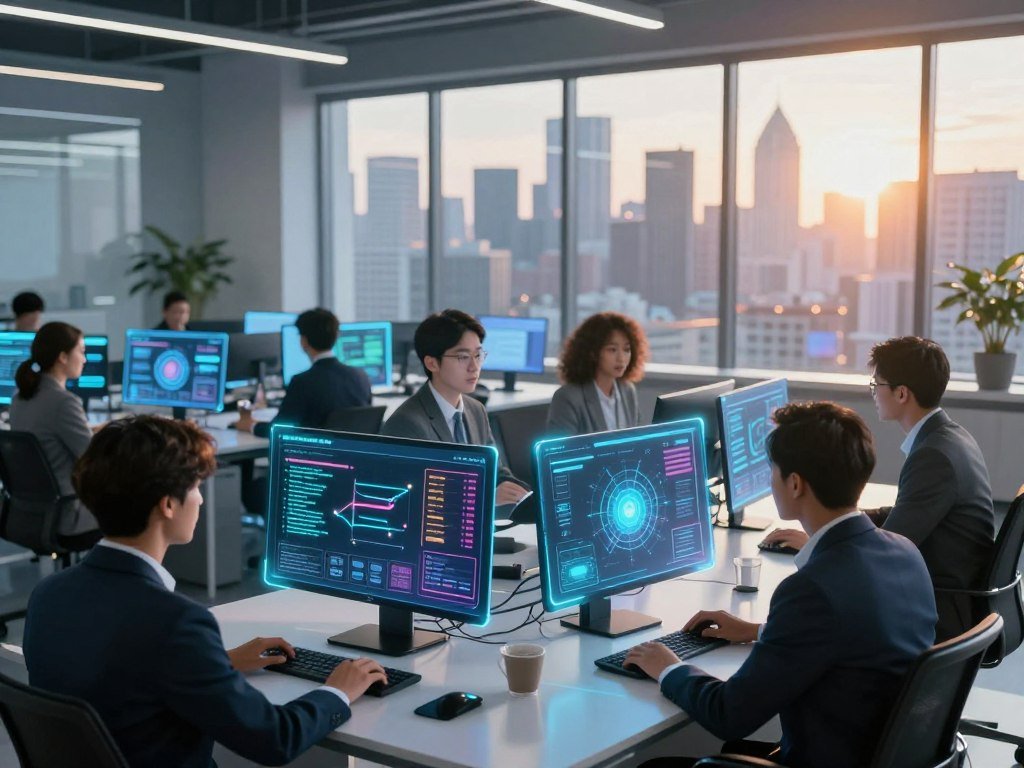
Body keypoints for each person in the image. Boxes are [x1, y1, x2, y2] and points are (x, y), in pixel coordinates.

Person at [23, 415, 387, 768]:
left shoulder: (48, 595)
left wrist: (219, 663)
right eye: (196, 487)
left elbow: (118, 676)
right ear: (168, 504)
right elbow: (274, 740)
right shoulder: (176, 623)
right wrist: (338, 691)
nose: (201, 499)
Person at [625, 402, 937, 768]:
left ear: (795, 483)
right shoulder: (905, 552)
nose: (770, 479)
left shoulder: (811, 591)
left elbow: (729, 714)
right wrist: (759, 630)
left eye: (772, 469)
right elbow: (853, 635)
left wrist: (668, 667)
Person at [763, 336, 994, 640]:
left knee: (823, 608)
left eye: (877, 385)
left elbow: (883, 553)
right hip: (945, 588)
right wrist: (836, 522)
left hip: (942, 608)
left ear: (901, 393)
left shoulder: (933, 455)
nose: (873, 392)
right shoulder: (949, 436)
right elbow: (902, 512)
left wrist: (820, 543)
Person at [382, 309, 531, 507]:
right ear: (432, 363)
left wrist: (526, 496)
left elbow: (496, 472)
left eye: (478, 355)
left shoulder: (476, 410)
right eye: (463, 357)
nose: (474, 367)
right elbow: (412, 500)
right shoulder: (407, 424)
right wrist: (486, 499)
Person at [9, 321, 100, 545]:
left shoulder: (19, 398)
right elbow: (94, 460)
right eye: (81, 351)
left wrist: (92, 430)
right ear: (63, 357)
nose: (85, 359)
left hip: (32, 514)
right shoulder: (64, 402)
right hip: (68, 516)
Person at [234, 307, 371, 438]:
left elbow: (279, 429)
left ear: (303, 341)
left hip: (315, 452)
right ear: (336, 337)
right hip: (351, 453)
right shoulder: (361, 376)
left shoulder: (303, 382)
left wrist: (251, 425)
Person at [547, 311, 647, 436]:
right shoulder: (568, 397)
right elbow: (560, 448)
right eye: (612, 350)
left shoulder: (627, 391)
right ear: (593, 353)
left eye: (626, 350)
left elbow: (637, 439)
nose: (621, 358)